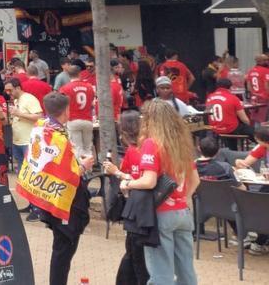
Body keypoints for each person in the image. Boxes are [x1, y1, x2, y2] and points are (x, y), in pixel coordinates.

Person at [17, 92, 92, 285]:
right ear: (66, 110)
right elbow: (70, 173)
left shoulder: (40, 127)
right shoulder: (58, 138)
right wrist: (84, 166)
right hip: (64, 202)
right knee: (63, 250)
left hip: (49, 197)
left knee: (61, 249)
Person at [124, 99, 199, 285]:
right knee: (186, 271)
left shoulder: (152, 143)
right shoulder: (182, 142)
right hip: (183, 212)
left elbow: (149, 181)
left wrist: (128, 183)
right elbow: (196, 180)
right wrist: (182, 199)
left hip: (161, 214)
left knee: (161, 273)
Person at [102, 110, 151, 285]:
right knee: (134, 255)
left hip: (138, 212)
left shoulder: (137, 151)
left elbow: (136, 179)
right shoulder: (143, 148)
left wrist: (116, 172)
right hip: (144, 211)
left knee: (136, 258)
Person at [58, 64, 96, 160]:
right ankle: (89, 169)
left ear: (68, 74)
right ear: (80, 74)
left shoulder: (65, 88)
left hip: (73, 120)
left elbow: (61, 105)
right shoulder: (89, 87)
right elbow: (92, 104)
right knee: (88, 147)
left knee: (77, 148)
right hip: (88, 120)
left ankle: (80, 172)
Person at [5, 78, 42, 166]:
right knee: (21, 169)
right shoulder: (16, 100)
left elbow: (40, 117)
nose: (8, 93)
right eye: (6, 91)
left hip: (28, 142)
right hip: (17, 141)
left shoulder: (29, 98)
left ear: (18, 88)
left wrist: (19, 114)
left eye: (10, 90)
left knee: (29, 168)